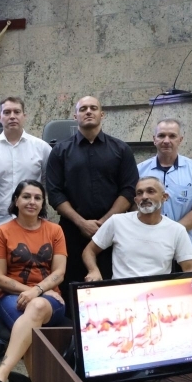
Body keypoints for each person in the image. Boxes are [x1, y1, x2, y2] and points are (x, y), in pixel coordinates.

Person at [0, 96, 51, 363]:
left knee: (34, 272)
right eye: (6, 112)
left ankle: (30, 333)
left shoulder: (41, 148)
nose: (12, 116)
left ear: (24, 115)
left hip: (32, 225)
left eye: (16, 111)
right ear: (0, 117)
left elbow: (45, 185)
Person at [46, 96, 138, 309]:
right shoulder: (60, 151)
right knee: (72, 289)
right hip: (72, 232)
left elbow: (129, 190)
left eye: (93, 108)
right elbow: (55, 193)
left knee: (111, 290)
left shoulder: (121, 149)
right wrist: (81, 223)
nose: (88, 111)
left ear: (101, 114)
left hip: (113, 232)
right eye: (83, 109)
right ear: (75, 116)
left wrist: (105, 223)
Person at [0, 180, 67, 382]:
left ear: (43, 203)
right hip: (13, 297)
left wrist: (38, 291)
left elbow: (59, 272)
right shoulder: (2, 232)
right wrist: (28, 292)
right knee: (32, 325)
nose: (32, 202)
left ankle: (1, 376)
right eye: (26, 196)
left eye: (38, 198)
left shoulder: (55, 230)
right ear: (16, 201)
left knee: (37, 307)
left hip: (50, 299)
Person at [82, 177, 192, 281]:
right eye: (139, 193)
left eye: (150, 191)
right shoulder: (117, 221)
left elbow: (189, 268)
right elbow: (89, 251)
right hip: (122, 293)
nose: (144, 197)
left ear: (164, 197)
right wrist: (93, 271)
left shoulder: (176, 230)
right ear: (135, 200)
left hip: (158, 294)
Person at [137, 118, 192, 261]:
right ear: (154, 139)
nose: (166, 140)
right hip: (147, 249)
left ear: (180, 140)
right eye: (161, 135)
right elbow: (134, 207)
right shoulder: (140, 170)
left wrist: (170, 233)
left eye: (172, 136)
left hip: (183, 250)